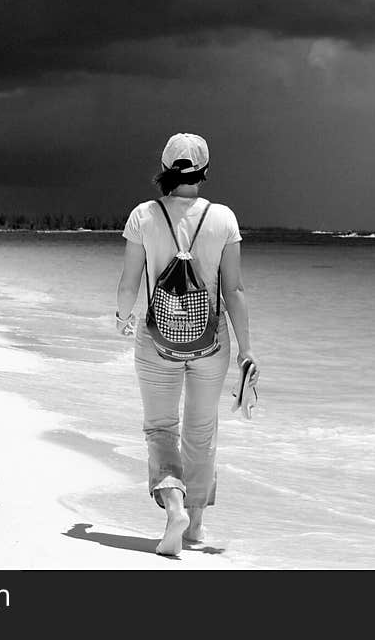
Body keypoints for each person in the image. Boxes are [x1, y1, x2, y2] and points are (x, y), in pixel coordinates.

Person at [115, 132, 258, 556]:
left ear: (164, 168)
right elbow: (234, 291)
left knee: (161, 428)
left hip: (158, 340)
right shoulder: (224, 218)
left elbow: (128, 284)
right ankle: (195, 526)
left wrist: (123, 319)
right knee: (201, 430)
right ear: (205, 171)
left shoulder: (143, 215)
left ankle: (173, 505)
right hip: (211, 342)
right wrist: (247, 348)